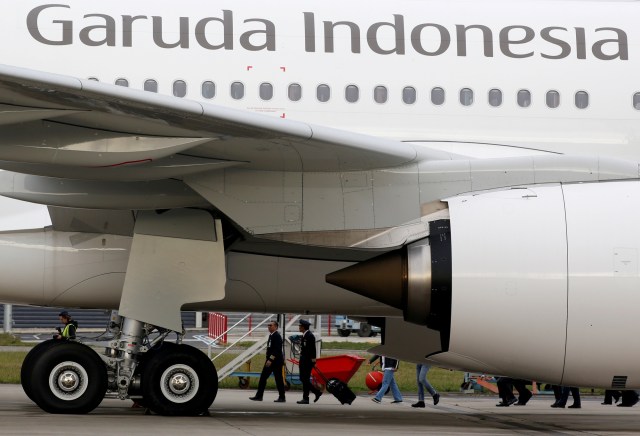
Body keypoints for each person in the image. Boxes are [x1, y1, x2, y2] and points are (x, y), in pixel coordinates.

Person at [250, 320, 286, 403]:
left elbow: (277, 350)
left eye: (271, 325)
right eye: (268, 325)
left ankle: (282, 397)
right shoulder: (271, 335)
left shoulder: (277, 336)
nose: (269, 327)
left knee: (278, 379)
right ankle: (259, 396)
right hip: (270, 361)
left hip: (275, 362)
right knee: (263, 378)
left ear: (276, 327)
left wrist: (270, 359)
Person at [296, 319, 322, 404]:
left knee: (305, 379)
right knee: (303, 379)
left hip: (307, 361)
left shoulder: (310, 336)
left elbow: (313, 349)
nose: (299, 327)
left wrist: (313, 361)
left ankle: (306, 397)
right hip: (303, 360)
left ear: (303, 327)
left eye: (300, 326)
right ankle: (315, 393)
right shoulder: (304, 335)